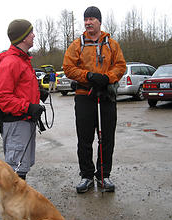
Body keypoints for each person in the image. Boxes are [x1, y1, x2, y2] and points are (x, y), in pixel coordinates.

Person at [63, 6, 126, 193]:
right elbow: (68, 67)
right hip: (84, 96)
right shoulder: (77, 45)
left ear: (99, 21)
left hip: (106, 96)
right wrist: (89, 76)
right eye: (86, 19)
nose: (88, 22)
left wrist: (107, 78)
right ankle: (86, 176)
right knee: (84, 138)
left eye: (92, 19)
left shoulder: (111, 44)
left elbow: (121, 66)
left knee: (106, 138)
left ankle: (104, 175)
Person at [0, 19, 45, 180]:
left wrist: (38, 93)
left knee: (21, 166)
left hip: (24, 121)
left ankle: (16, 204)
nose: (34, 35)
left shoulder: (22, 60)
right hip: (16, 122)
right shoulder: (11, 62)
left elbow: (20, 88)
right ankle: (12, 205)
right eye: (30, 33)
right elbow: (3, 97)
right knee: (16, 169)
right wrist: (28, 107)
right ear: (22, 37)